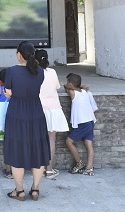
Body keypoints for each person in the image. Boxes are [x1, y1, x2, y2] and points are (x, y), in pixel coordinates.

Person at [3, 41, 50, 202]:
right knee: (38, 149)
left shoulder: (11, 71)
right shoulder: (40, 71)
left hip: (17, 113)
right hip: (36, 112)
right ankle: (35, 190)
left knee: (17, 150)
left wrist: (10, 93)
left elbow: (8, 92)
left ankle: (19, 191)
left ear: (19, 55)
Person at [36, 49, 69, 179]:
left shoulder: (33, 72)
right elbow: (57, 87)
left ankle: (38, 170)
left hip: (38, 109)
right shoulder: (52, 72)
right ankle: (49, 170)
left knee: (38, 141)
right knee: (51, 141)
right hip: (54, 109)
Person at [64, 73, 97, 176]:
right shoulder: (84, 92)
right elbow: (75, 87)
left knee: (69, 141)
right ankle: (89, 168)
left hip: (83, 124)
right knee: (88, 144)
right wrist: (81, 87)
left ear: (70, 84)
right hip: (90, 121)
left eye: (67, 82)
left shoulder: (72, 93)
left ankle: (79, 163)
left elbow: (66, 87)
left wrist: (68, 86)